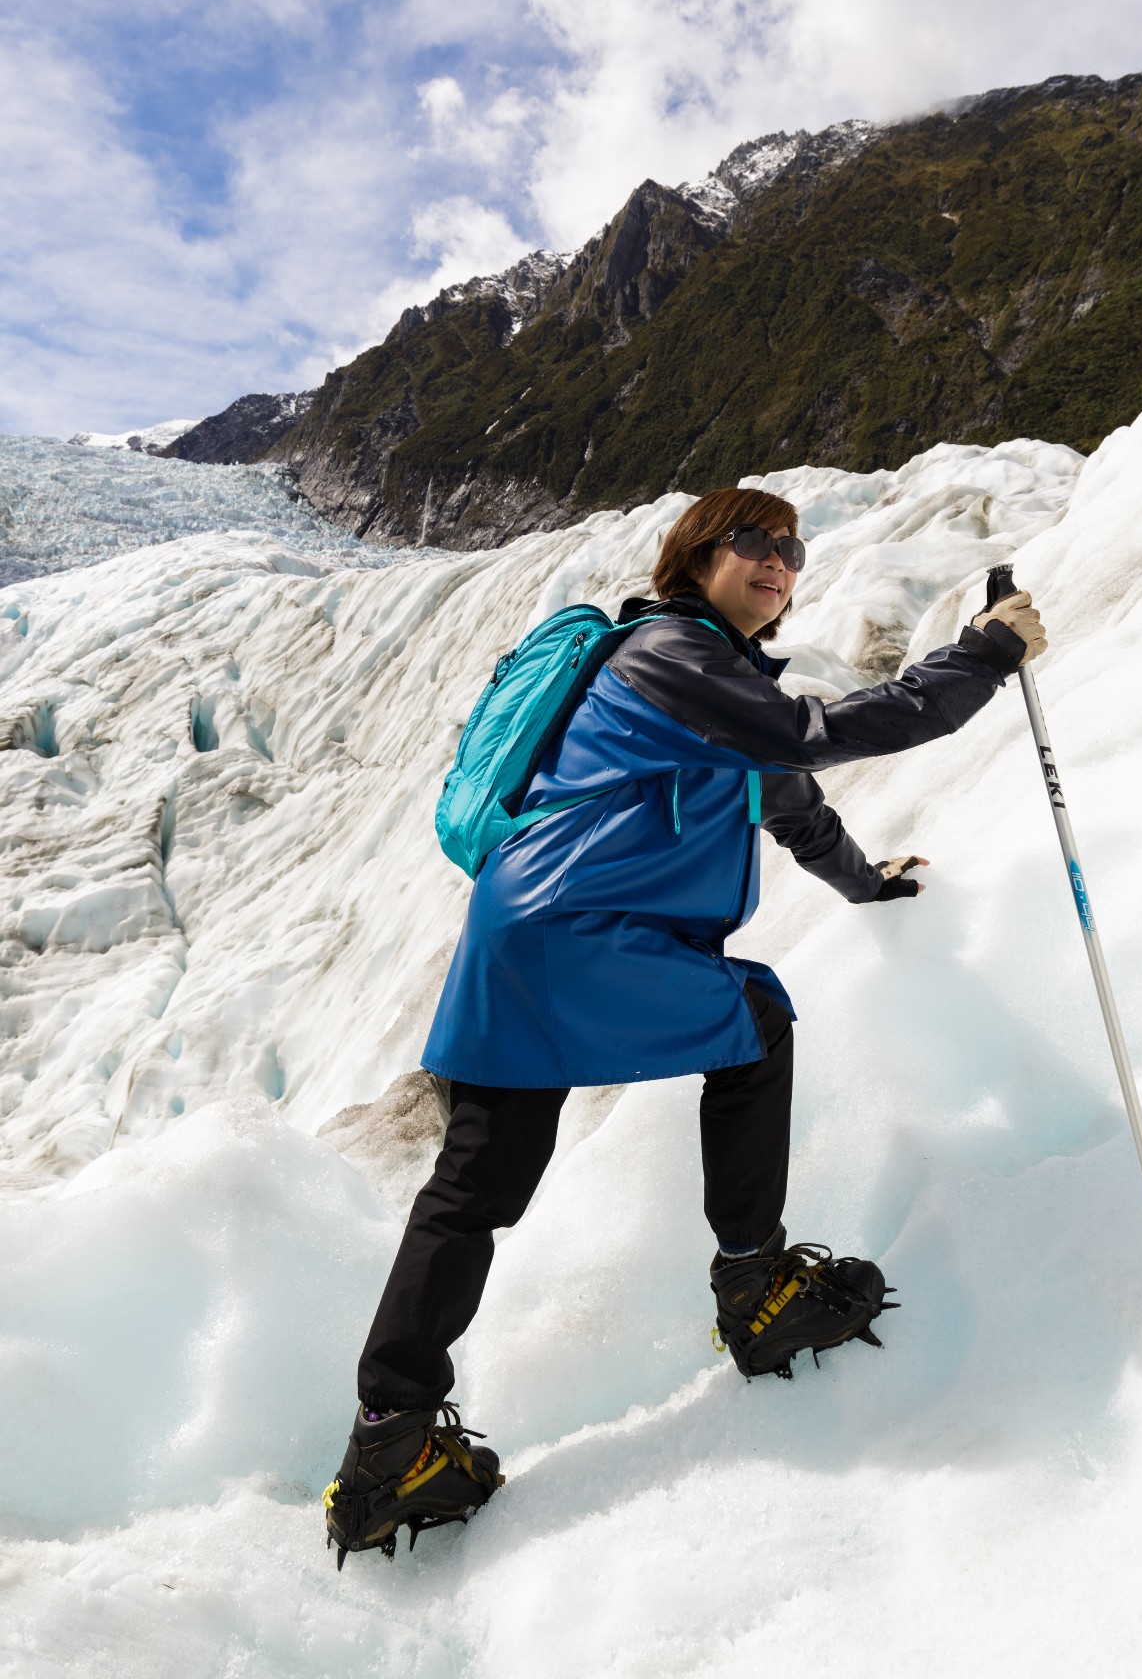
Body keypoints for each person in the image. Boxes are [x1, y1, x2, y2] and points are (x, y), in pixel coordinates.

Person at [324, 485, 1046, 1563]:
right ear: (694, 557)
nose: (777, 561)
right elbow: (831, 729)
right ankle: (756, 1291)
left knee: (476, 1185)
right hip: (583, 932)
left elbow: (791, 802)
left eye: (792, 548)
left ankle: (389, 1442)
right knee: (754, 1015)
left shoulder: (713, 686)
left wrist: (868, 884)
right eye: (752, 541)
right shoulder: (670, 653)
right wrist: (983, 653)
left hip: (521, 936)